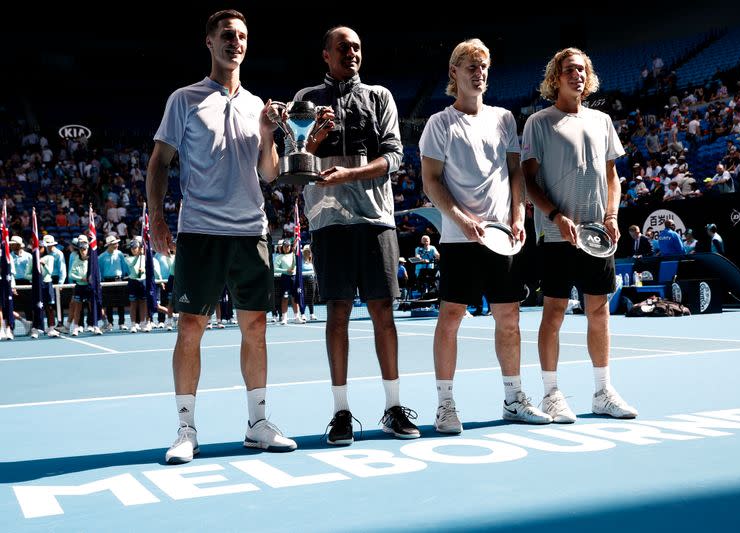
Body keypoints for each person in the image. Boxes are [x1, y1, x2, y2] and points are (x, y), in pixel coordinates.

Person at [146, 9, 296, 464]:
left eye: (243, 36)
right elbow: (159, 163)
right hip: (201, 231)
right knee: (191, 326)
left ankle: (257, 423)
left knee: (256, 326)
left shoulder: (257, 106)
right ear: (209, 42)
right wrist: (156, 218)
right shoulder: (184, 99)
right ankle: (186, 428)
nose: (236, 42)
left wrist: (270, 135)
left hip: (251, 230)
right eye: (227, 35)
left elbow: (269, 173)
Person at [289, 25, 419, 445]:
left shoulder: (379, 96)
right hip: (327, 223)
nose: (352, 53)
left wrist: (352, 173)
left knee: (384, 313)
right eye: (343, 47)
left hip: (376, 219)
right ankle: (341, 412)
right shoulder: (304, 101)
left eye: (358, 47)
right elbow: (295, 167)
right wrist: (312, 142)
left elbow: (395, 156)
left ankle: (394, 407)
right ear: (325, 54)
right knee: (337, 315)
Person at [421, 38, 551, 434]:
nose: (479, 73)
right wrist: (461, 219)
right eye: (471, 66)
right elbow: (430, 181)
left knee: (509, 317)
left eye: (484, 67)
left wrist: (517, 216)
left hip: (501, 237)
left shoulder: (504, 119)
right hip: (460, 239)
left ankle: (514, 398)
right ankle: (445, 405)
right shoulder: (439, 124)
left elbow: (514, 173)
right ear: (454, 73)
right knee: (451, 317)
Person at [522, 47, 638, 423]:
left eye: (583, 69)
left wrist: (611, 214)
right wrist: (555, 216)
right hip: (558, 235)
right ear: (556, 77)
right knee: (553, 311)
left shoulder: (602, 120)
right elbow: (527, 182)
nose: (578, 75)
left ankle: (603, 391)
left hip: (596, 235)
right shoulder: (538, 123)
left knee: (599, 312)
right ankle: (552, 393)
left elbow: (611, 178)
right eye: (570, 70)